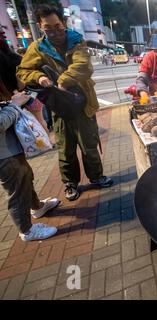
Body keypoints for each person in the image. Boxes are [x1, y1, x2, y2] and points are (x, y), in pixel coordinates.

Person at [17, 4, 113, 202]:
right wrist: (39, 77)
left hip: (83, 102)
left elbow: (83, 67)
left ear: (64, 23)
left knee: (89, 144)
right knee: (65, 147)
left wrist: (62, 80)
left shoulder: (76, 40)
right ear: (41, 27)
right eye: (48, 29)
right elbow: (23, 71)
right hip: (59, 107)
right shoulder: (37, 47)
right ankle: (70, 183)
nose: (54, 32)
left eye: (58, 27)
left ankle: (96, 176)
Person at [1, 90, 60, 241]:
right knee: (17, 190)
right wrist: (14, 105)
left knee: (24, 178)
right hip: (4, 154)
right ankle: (26, 231)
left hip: (9, 149)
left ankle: (37, 207)